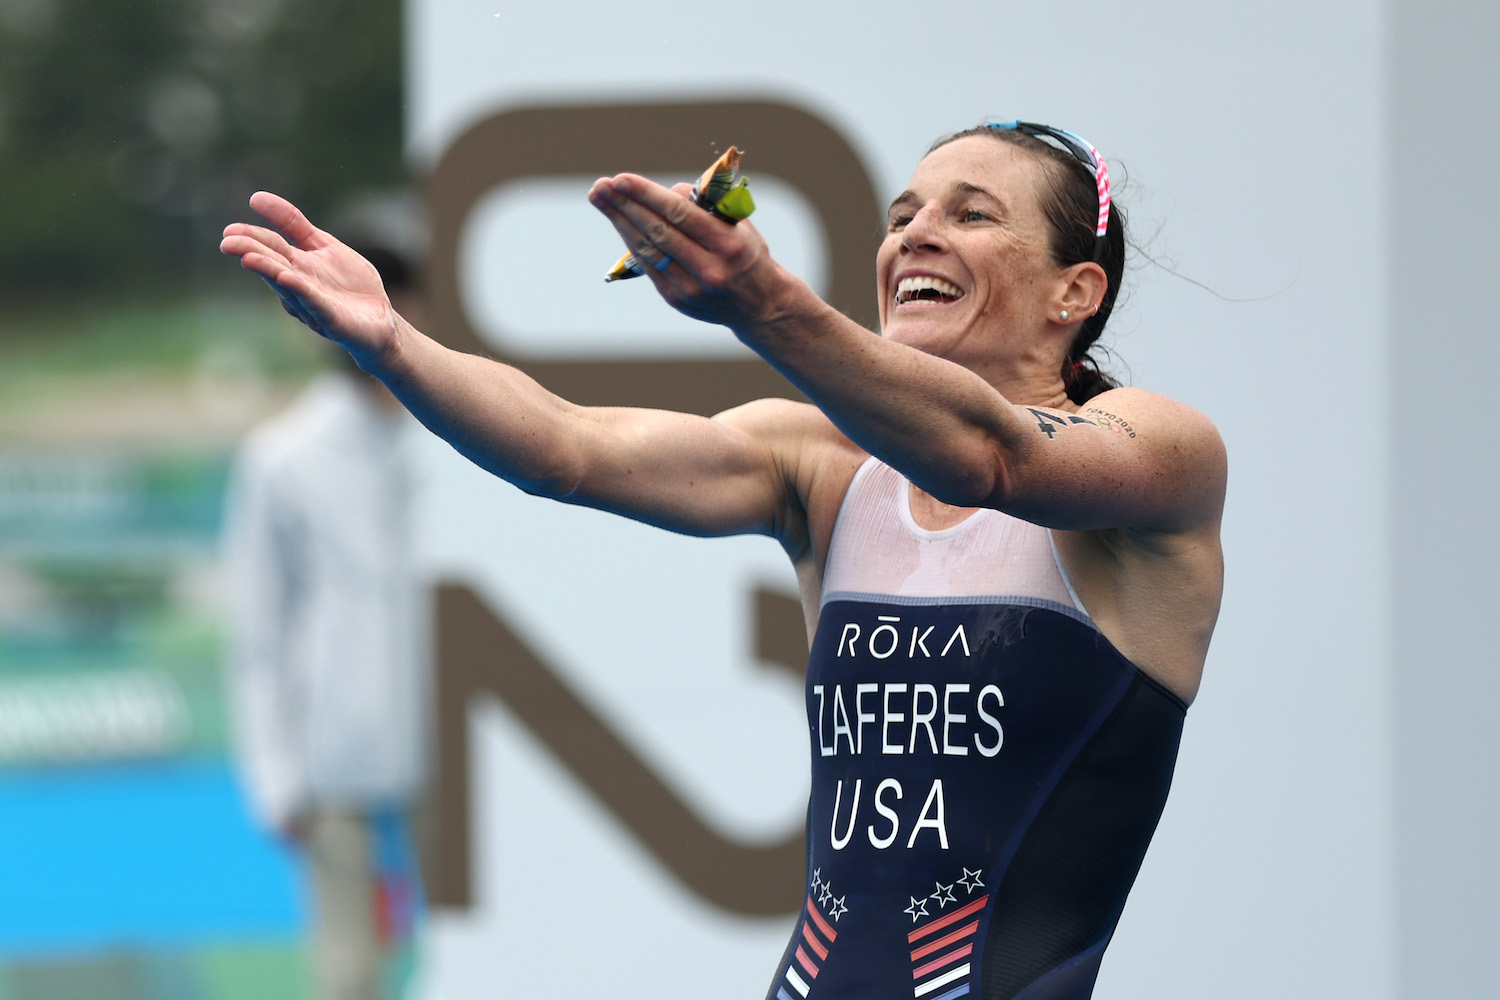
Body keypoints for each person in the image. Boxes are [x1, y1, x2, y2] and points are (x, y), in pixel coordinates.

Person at [221, 120, 1225, 1000]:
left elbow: (990, 457)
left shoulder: (1158, 455)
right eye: (903, 211)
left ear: (1074, 291)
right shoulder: (825, 464)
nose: (916, 233)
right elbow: (570, 448)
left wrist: (765, 302)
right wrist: (392, 342)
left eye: (970, 215)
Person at [222, 237, 428, 1000]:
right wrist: (272, 773)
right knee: (349, 977)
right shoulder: (281, 456)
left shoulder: (459, 437)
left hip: (448, 748)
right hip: (333, 753)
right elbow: (260, 628)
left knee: (473, 960)